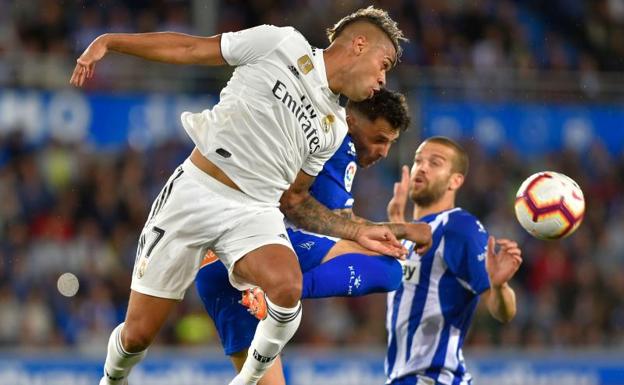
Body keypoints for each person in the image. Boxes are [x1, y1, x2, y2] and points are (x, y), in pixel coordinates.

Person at [70, 7, 432, 385]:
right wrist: (110, 42)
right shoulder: (281, 43)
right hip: (196, 194)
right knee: (137, 335)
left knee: (287, 285)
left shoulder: (333, 126)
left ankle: (248, 379)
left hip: (253, 213)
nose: (382, 79)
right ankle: (113, 377)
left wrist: (358, 232)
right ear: (359, 45)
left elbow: (295, 201)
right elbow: (192, 50)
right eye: (383, 64)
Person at [196, 88, 418, 385]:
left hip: (213, 265)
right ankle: (276, 292)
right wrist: (405, 231)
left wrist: (396, 229)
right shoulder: (339, 142)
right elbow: (336, 223)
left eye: (390, 143)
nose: (383, 152)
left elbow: (337, 223)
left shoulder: (302, 121)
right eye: (379, 139)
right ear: (351, 120)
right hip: (259, 251)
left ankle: (266, 292)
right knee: (391, 269)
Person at [384, 136, 523, 385]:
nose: (422, 167)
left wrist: (499, 287)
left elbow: (503, 312)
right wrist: (397, 223)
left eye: (435, 163)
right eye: (418, 161)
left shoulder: (459, 227)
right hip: (404, 378)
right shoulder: (410, 234)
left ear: (455, 180)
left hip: (432, 378)